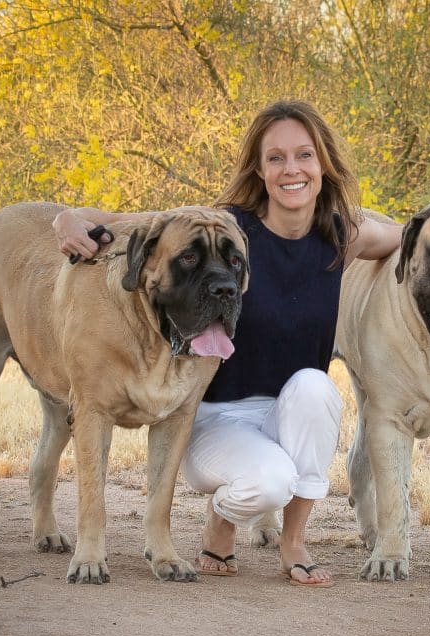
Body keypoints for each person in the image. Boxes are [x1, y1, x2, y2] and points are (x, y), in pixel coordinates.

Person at [52, 101, 402, 587]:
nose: (291, 169)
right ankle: (221, 524)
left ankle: (294, 542)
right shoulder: (221, 230)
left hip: (283, 413)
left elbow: (407, 237)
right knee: (270, 483)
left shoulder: (341, 235)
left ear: (323, 164)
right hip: (213, 419)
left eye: (304, 155)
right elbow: (112, 221)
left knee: (318, 389)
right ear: (259, 169)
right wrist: (67, 221)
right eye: (276, 158)